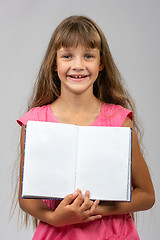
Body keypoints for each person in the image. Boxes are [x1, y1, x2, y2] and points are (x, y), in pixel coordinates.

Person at [17, 15, 155, 239]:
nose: (78, 65)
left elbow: (147, 195)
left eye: (88, 56)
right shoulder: (35, 122)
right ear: (55, 62)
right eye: (67, 56)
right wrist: (55, 218)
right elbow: (26, 198)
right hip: (58, 234)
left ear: (101, 63)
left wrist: (91, 210)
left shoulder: (119, 120)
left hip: (113, 234)